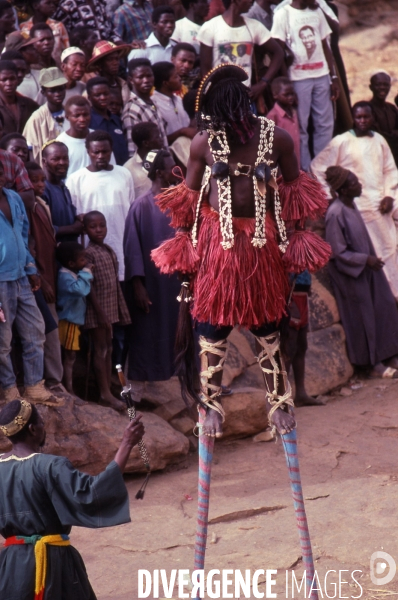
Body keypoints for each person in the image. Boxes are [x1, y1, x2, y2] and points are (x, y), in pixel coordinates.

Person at [152, 64, 330, 438]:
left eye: (222, 117)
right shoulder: (203, 142)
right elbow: (187, 199)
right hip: (220, 245)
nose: (218, 124)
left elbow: (297, 192)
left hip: (262, 245)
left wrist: (297, 236)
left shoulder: (279, 139)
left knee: (267, 325)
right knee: (213, 327)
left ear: (239, 110)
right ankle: (211, 405)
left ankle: (279, 402)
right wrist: (184, 245)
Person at [0, 399, 145, 600]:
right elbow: (93, 494)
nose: (44, 427)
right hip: (54, 563)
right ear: (33, 429)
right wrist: (127, 443)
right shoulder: (49, 466)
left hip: (12, 568)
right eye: (41, 422)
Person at [311, 101, 398, 302]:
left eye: (366, 117)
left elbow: (389, 170)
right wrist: (332, 196)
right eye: (358, 117)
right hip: (359, 206)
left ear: (372, 118)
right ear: (352, 118)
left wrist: (388, 195)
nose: (362, 121)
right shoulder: (341, 142)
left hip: (381, 203)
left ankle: (394, 295)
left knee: (389, 249)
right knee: (373, 254)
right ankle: (385, 297)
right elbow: (318, 167)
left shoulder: (379, 140)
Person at [325, 166, 398, 378]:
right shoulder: (335, 213)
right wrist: (365, 260)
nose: (359, 185)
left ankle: (390, 353)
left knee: (384, 305)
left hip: (367, 267)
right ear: (344, 190)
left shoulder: (351, 205)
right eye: (354, 183)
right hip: (350, 272)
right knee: (363, 316)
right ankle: (373, 363)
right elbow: (337, 251)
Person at [0, 161, 59, 405]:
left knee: (35, 329)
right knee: (2, 341)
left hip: (21, 277)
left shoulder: (13, 197)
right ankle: (8, 389)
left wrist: (31, 268)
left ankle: (35, 385)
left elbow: (23, 235)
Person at [124, 149, 181, 382]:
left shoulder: (183, 202)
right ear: (159, 173)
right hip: (153, 283)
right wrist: (138, 285)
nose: (177, 171)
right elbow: (132, 249)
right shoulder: (141, 207)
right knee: (151, 331)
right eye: (172, 168)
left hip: (180, 282)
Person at [271, 0, 339, 171]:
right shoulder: (283, 14)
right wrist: (286, 80)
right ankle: (306, 172)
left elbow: (325, 45)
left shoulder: (316, 12)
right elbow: (278, 50)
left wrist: (333, 77)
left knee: (325, 124)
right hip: (298, 78)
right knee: (300, 126)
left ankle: (323, 170)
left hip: (322, 75)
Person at [67, 130, 135, 281]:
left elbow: (130, 208)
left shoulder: (124, 174)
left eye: (105, 151)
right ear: (88, 152)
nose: (100, 156)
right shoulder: (76, 179)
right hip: (90, 248)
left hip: (121, 241)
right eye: (96, 152)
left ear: (111, 151)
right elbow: (74, 215)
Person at [83, 211, 131, 409]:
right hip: (98, 311)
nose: (98, 230)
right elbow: (89, 286)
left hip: (110, 308)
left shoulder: (108, 250)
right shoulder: (87, 254)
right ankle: (103, 394)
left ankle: (108, 391)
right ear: (85, 230)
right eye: (93, 227)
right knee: (101, 350)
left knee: (109, 349)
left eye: (101, 225)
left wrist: (119, 311)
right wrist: (100, 313)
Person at [26, 160, 65, 392]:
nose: (41, 184)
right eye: (35, 180)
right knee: (47, 329)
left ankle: (55, 379)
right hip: (38, 280)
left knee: (50, 327)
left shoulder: (42, 204)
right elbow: (30, 247)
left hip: (49, 276)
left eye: (42, 179)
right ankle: (51, 380)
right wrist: (41, 277)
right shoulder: (25, 207)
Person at [197, 0, 284, 103]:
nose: (251, 1)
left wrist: (263, 83)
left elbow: (279, 52)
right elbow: (205, 69)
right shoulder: (210, 27)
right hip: (219, 97)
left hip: (245, 97)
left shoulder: (254, 26)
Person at [56, 241, 93, 394]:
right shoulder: (65, 276)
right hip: (69, 321)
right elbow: (80, 290)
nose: (86, 262)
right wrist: (86, 272)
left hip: (74, 321)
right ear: (71, 263)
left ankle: (68, 386)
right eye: (82, 259)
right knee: (69, 355)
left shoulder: (71, 273)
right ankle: (68, 388)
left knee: (70, 355)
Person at [57, 96, 116, 174]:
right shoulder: (60, 143)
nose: (82, 119)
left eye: (85, 115)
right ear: (67, 117)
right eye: (77, 115)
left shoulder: (100, 139)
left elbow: (112, 168)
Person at [23, 66, 69, 164]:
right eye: (52, 90)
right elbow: (30, 151)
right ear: (43, 92)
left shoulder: (71, 113)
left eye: (61, 89)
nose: (58, 94)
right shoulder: (36, 119)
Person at [122, 58, 168, 156]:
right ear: (131, 80)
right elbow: (133, 150)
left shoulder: (152, 102)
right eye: (140, 77)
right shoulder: (132, 110)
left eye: (149, 76)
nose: (146, 80)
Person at [42, 140, 84, 242]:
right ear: (44, 162)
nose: (62, 163)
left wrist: (77, 219)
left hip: (69, 252)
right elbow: (43, 229)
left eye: (65, 158)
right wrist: (73, 228)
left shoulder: (63, 187)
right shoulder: (42, 189)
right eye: (55, 159)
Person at [87, 76, 129, 166]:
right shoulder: (88, 121)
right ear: (89, 98)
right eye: (97, 95)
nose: (103, 98)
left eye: (106, 94)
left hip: (121, 170)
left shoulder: (116, 119)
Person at [151, 61, 195, 145]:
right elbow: (159, 139)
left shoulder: (178, 99)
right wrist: (182, 132)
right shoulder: (154, 105)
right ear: (165, 83)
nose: (179, 79)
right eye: (175, 77)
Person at [20, 0, 70, 67]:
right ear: (36, 6)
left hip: (57, 69)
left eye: (53, 3)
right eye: (48, 3)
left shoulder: (58, 26)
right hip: (34, 70)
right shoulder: (23, 28)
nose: (52, 5)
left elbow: (67, 50)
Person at [267, 76, 300, 168]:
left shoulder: (293, 112)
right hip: (283, 161)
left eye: (292, 94)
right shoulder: (273, 116)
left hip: (296, 157)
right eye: (286, 95)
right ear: (275, 95)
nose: (290, 97)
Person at [124, 121, 163, 199]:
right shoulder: (128, 169)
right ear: (146, 143)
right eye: (157, 137)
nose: (161, 139)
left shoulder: (165, 161)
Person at [86, 40, 132, 105]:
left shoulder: (124, 84)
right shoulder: (92, 90)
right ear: (100, 64)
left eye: (117, 59)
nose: (115, 63)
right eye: (110, 59)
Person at [54, 0, 121, 43]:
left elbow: (109, 29)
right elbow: (61, 35)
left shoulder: (99, 3)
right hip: (83, 59)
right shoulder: (68, 4)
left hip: (104, 55)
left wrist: (117, 41)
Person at [0, 61, 39, 136]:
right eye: (4, 80)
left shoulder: (29, 104)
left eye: (12, 79)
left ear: (17, 79)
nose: (9, 83)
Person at [369, 70, 398, 167]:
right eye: (378, 84)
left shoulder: (392, 108)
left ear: (390, 87)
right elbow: (376, 135)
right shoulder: (367, 109)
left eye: (385, 85)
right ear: (371, 87)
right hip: (376, 156)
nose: (382, 88)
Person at [3, 34, 42, 101]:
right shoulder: (7, 83)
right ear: (20, 52)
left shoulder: (41, 74)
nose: (36, 49)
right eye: (31, 48)